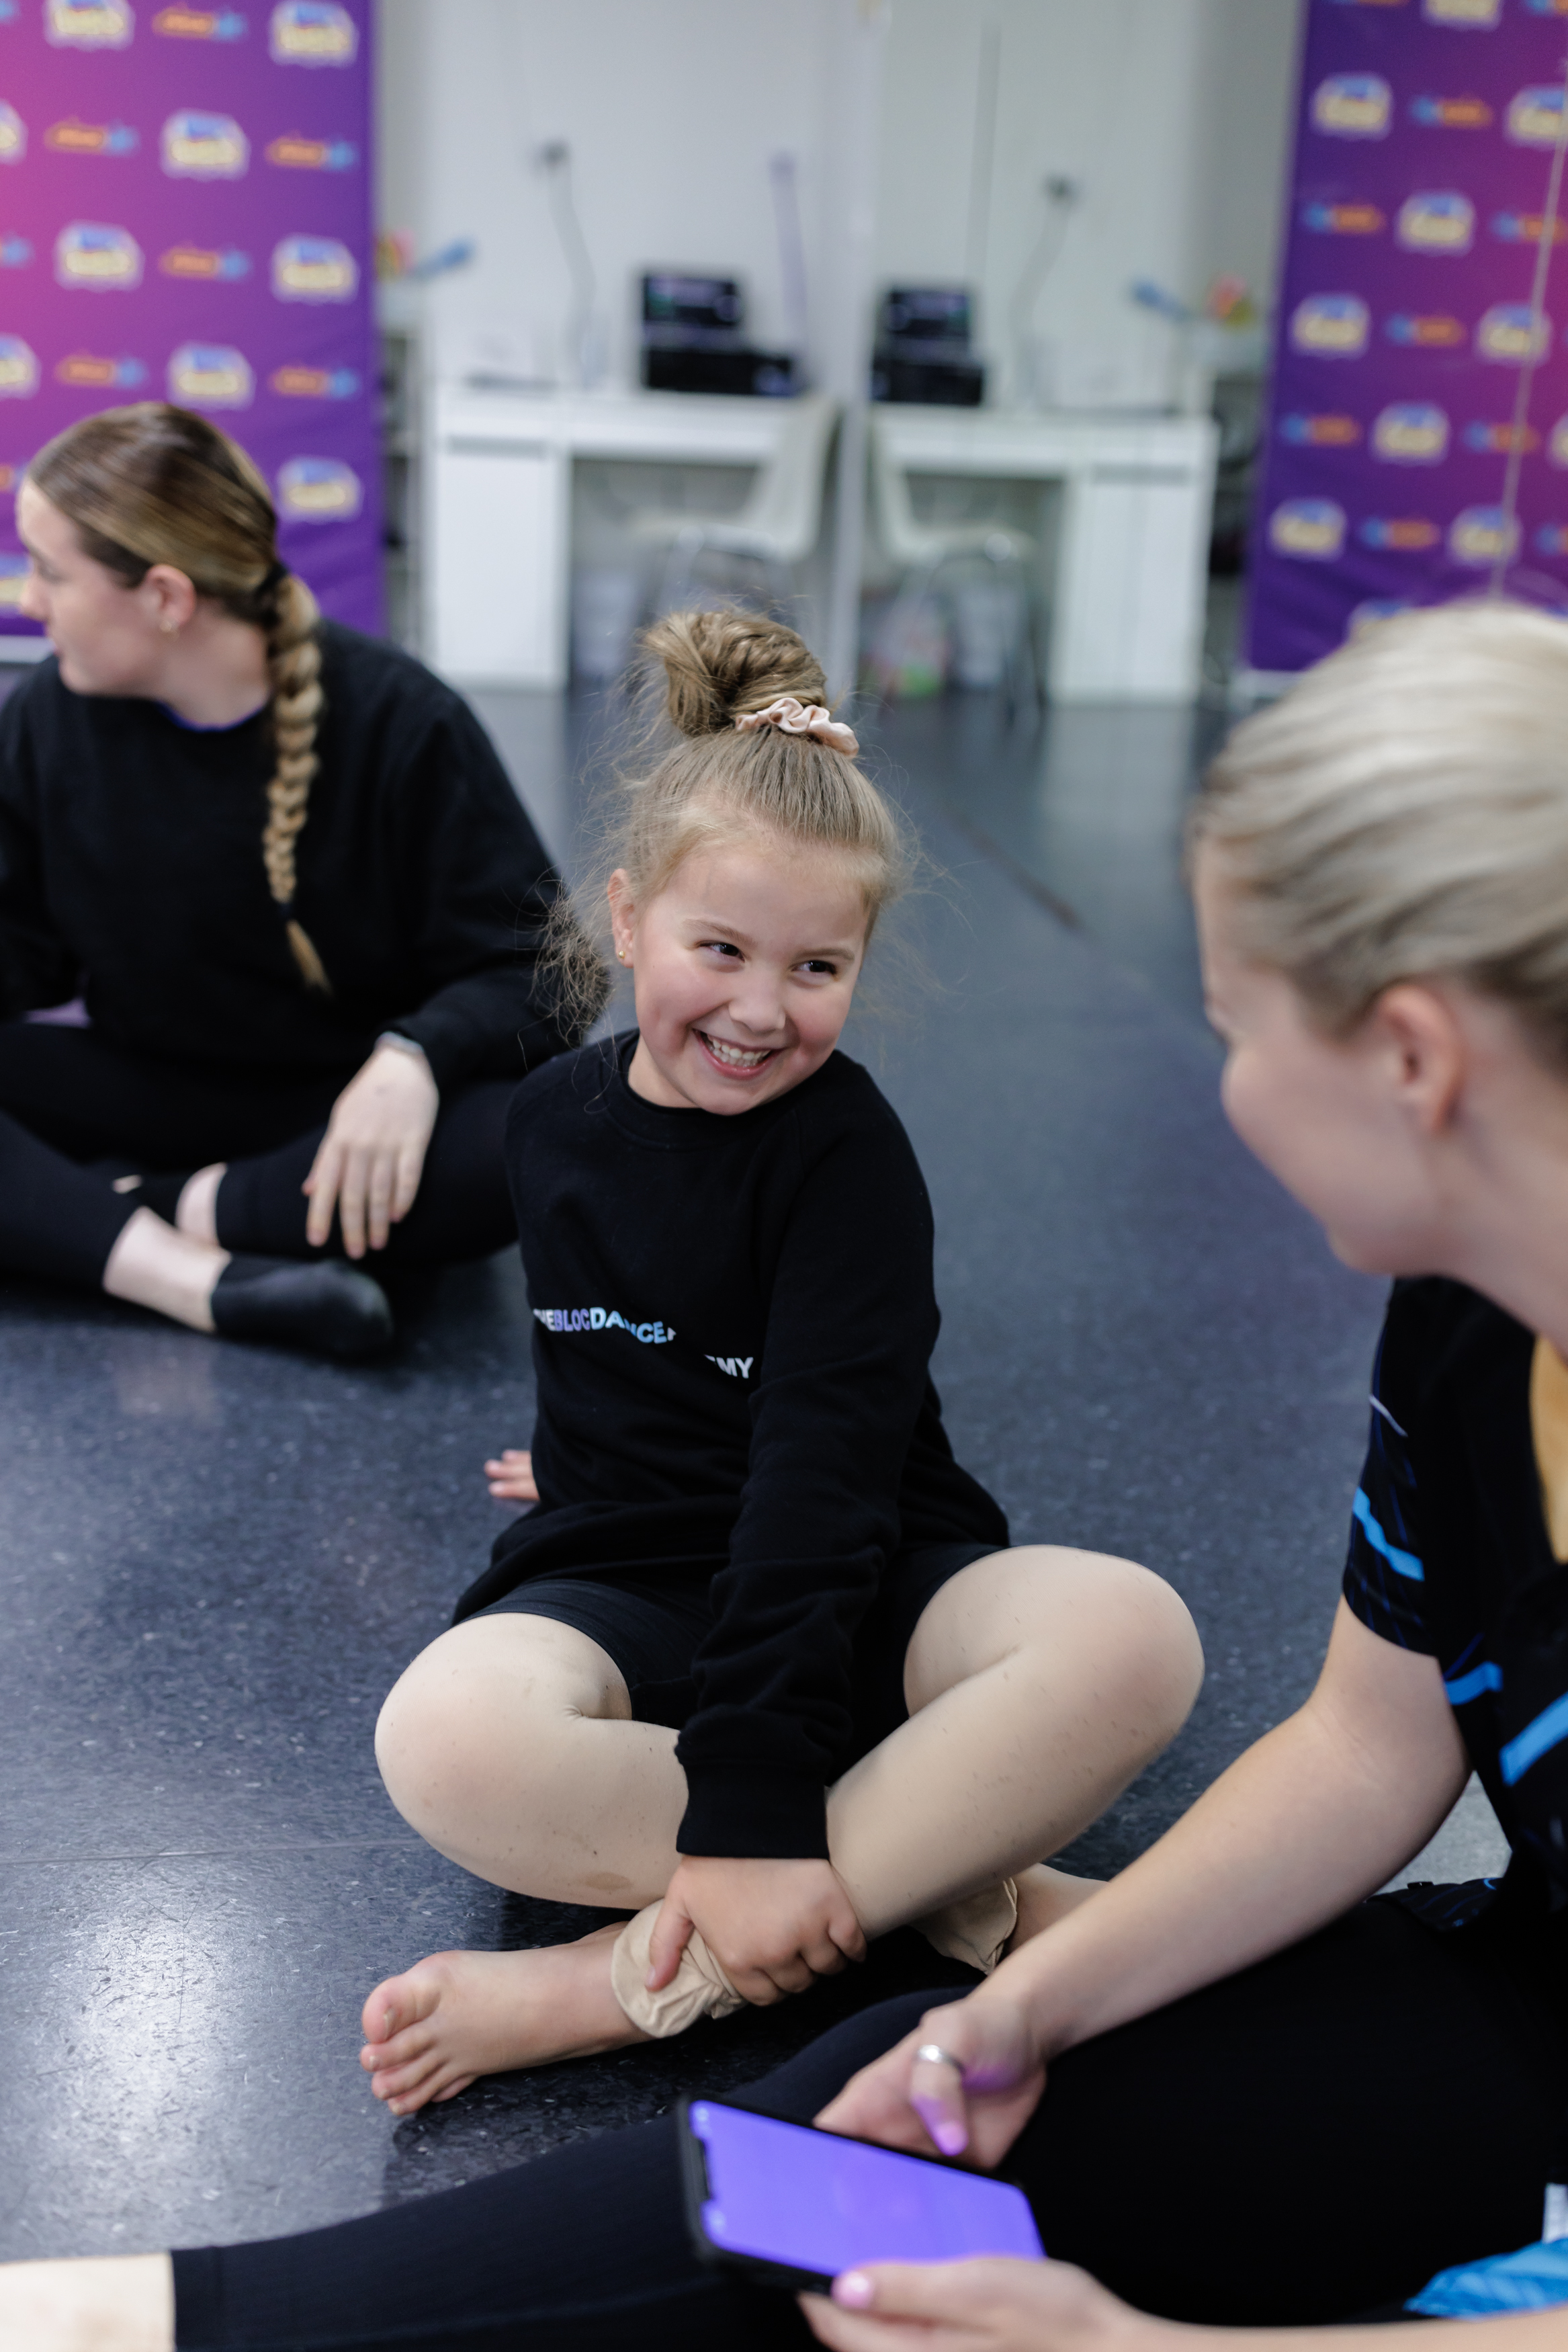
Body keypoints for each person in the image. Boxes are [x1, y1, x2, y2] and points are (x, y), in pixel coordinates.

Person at [24, 596, 1568, 2352]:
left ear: (1412, 1058)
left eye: (1228, 1026)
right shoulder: (1463, 1320)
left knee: (1107, 1657)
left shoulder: (847, 1161)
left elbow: (824, 1474)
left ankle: (668, 1968)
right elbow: (1372, 1748)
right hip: (1487, 2008)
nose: (1210, 1088)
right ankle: (124, 2316)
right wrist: (1023, 2005)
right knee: (857, 2140)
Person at [354, 605, 1204, 2105]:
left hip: (862, 1571)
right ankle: (956, 1895)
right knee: (442, 1736)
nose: (759, 1008)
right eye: (720, 948)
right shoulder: (551, 1118)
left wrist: (748, 1813)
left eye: (817, 966)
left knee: (1134, 1633)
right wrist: (582, 1454)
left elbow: (824, 1470)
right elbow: (621, 1329)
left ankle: (625, 1983)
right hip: (636, 1572)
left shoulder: (848, 1157)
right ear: (626, 921)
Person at [0, 403, 577, 1360]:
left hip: (348, 1113)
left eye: (52, 573)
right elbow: (25, 953)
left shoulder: (402, 721)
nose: (29, 600)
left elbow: (553, 978)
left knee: (541, 1137)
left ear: (166, 599)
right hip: (152, 1087)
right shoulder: (49, 720)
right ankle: (202, 1278)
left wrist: (414, 1055)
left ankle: (124, 1216)